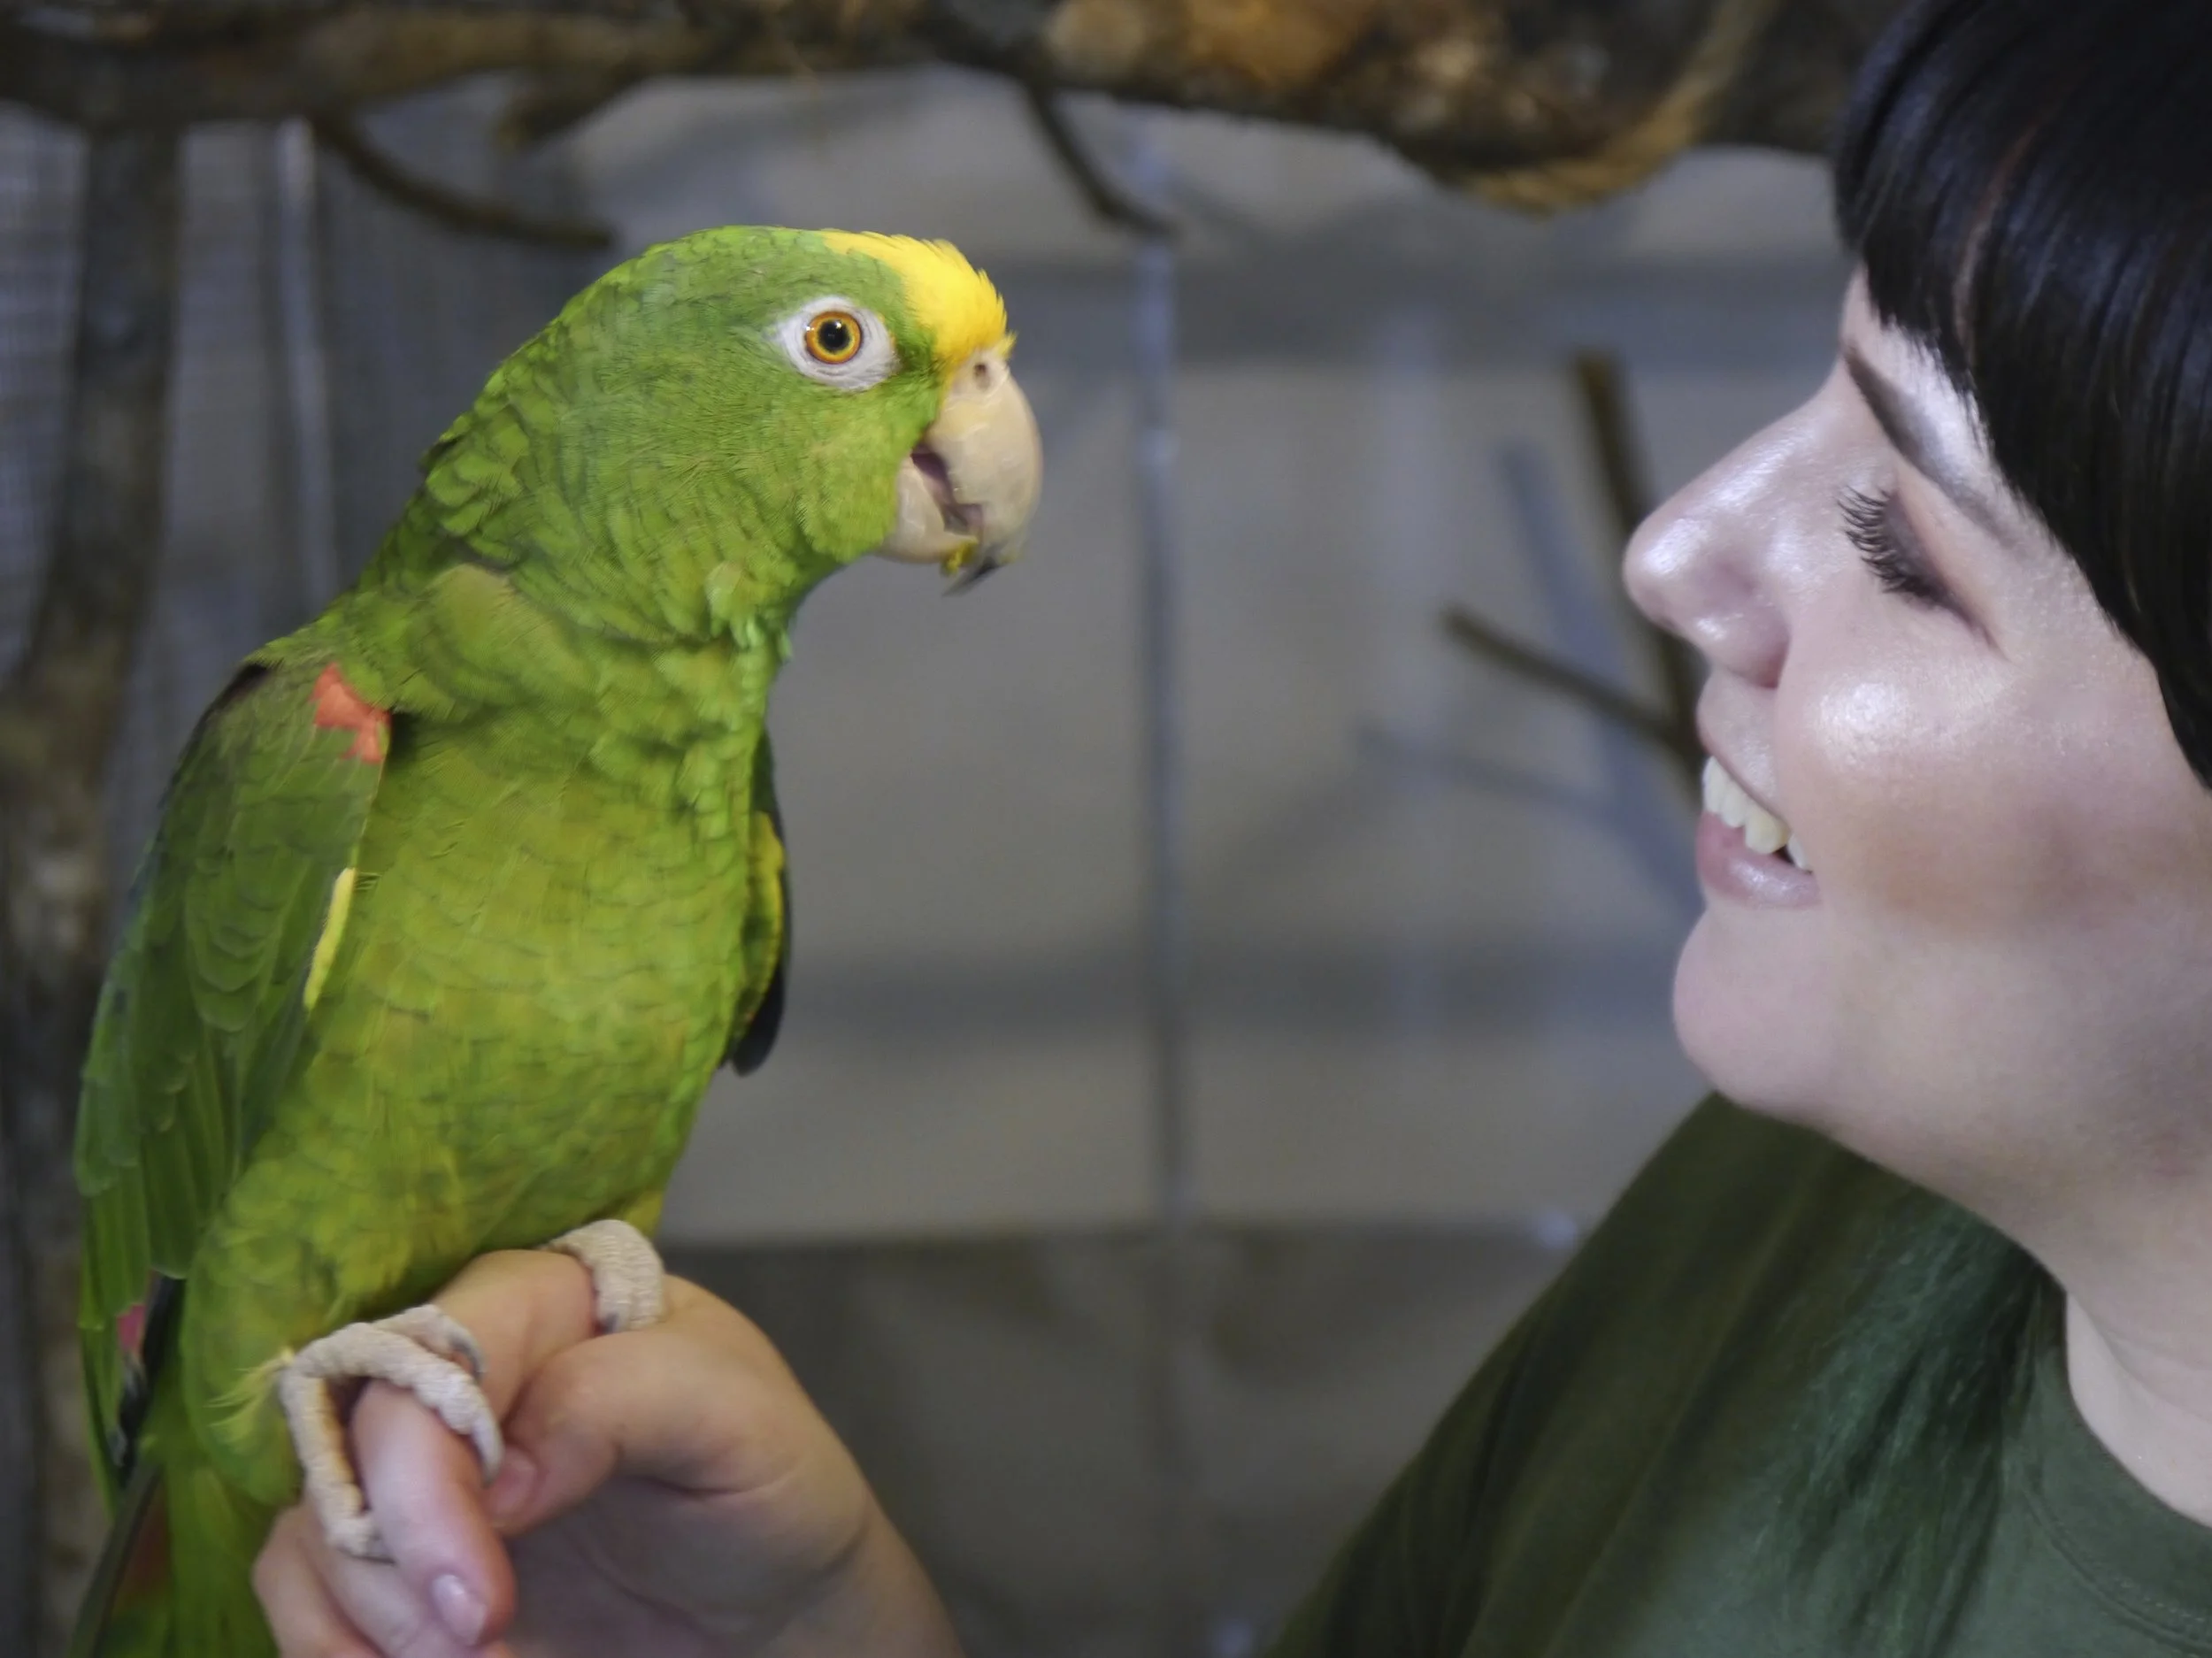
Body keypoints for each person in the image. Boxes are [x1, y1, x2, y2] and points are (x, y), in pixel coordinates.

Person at [252, 0, 2212, 1652]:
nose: (1668, 548)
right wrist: (808, 1619)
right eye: (1821, 382)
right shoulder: (1798, 1206)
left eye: (1901, 537)